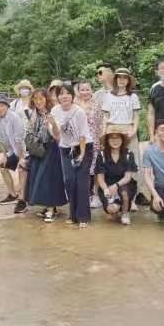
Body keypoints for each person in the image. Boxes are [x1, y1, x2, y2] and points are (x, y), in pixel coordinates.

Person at [100, 68, 143, 205]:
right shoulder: (108, 96)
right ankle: (109, 195)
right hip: (112, 129)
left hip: (128, 129)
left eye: (125, 78)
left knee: (133, 162)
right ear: (115, 79)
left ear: (129, 80)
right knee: (110, 161)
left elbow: (136, 116)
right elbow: (105, 116)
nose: (122, 80)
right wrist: (104, 132)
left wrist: (134, 130)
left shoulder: (133, 97)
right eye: (119, 77)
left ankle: (133, 198)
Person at [52, 84, 92, 229]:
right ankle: (73, 215)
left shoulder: (79, 111)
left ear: (72, 96)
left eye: (68, 93)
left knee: (81, 182)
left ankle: (84, 217)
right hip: (65, 148)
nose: (65, 96)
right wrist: (51, 124)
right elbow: (56, 135)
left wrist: (81, 154)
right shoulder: (55, 111)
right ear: (58, 97)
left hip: (83, 146)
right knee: (69, 181)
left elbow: (83, 134)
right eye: (61, 94)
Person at [26, 89, 66, 222]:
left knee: (49, 179)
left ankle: (51, 209)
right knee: (39, 179)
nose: (38, 101)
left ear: (46, 99)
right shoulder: (33, 113)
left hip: (51, 149)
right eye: (35, 99)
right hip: (38, 150)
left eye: (41, 98)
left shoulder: (52, 112)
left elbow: (57, 133)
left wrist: (52, 123)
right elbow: (30, 131)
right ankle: (48, 207)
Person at [0, 93, 29, 213]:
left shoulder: (15, 117)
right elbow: (1, 139)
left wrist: (21, 159)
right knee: (2, 167)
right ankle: (13, 194)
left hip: (24, 150)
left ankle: (22, 200)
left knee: (22, 169)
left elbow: (20, 140)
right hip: (13, 150)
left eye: (2, 105)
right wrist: (4, 155)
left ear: (7, 106)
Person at [95, 128, 138, 225]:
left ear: (122, 140)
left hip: (124, 184)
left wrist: (116, 186)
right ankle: (116, 209)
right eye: (111, 138)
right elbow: (100, 179)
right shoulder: (101, 155)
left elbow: (128, 177)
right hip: (107, 185)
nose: (115, 141)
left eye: (118, 138)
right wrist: (106, 190)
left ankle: (125, 213)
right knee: (111, 209)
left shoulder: (128, 154)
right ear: (107, 140)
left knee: (124, 193)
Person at [75, 80, 103, 209]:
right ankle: (83, 195)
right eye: (82, 89)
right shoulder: (74, 104)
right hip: (78, 142)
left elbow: (101, 123)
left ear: (92, 90)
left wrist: (102, 139)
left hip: (95, 140)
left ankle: (96, 195)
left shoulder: (97, 104)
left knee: (95, 169)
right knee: (82, 169)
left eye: (87, 89)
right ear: (78, 91)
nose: (85, 92)